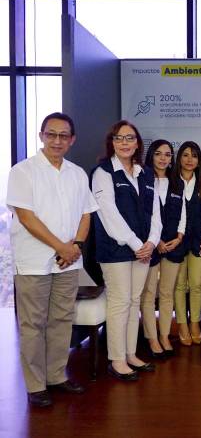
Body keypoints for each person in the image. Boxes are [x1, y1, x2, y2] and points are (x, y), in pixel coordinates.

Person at [7, 112, 98, 407]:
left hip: (69, 261)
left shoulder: (77, 173)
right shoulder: (23, 171)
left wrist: (76, 246)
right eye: (51, 134)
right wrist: (61, 246)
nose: (56, 140)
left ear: (72, 140)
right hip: (34, 261)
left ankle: (57, 376)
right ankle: (35, 385)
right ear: (41, 136)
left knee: (62, 320)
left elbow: (86, 214)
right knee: (33, 324)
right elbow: (26, 217)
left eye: (63, 136)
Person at [91, 120, 162, 381]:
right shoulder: (102, 173)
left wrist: (152, 242)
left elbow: (155, 213)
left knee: (134, 301)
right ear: (112, 142)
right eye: (119, 138)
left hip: (144, 249)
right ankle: (117, 359)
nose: (124, 143)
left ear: (137, 143)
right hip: (117, 250)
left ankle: (131, 354)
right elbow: (109, 215)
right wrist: (136, 244)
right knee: (120, 303)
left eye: (129, 138)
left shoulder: (145, 174)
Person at [140, 140, 185, 358]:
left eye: (167, 154)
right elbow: (142, 215)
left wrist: (179, 236)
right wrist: (154, 240)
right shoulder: (142, 180)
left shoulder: (177, 182)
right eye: (158, 154)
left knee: (167, 293)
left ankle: (165, 335)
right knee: (148, 294)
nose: (163, 158)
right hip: (151, 244)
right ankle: (151, 337)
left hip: (173, 244)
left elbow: (183, 214)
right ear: (151, 156)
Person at [173, 141, 201, 346]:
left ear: (199, 160)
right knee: (179, 285)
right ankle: (182, 324)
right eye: (186, 155)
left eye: (194, 156)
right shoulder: (170, 183)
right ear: (179, 158)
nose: (190, 160)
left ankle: (195, 323)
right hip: (177, 241)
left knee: (197, 284)